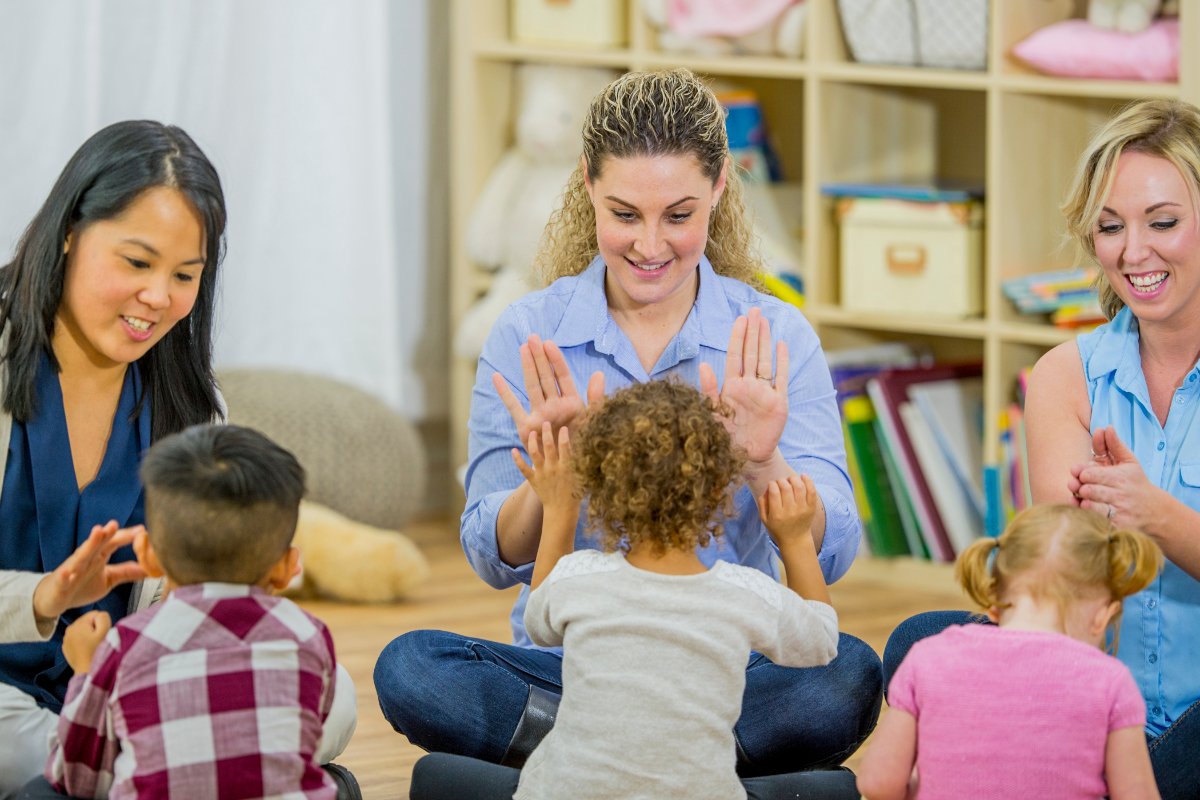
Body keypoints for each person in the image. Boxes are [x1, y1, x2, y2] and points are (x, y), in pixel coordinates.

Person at [375, 67, 881, 778]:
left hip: (728, 667)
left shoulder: (776, 334)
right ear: (587, 184)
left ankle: (585, 770)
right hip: (573, 672)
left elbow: (833, 553)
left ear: (719, 188)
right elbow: (490, 556)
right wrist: (552, 478)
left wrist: (763, 461)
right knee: (412, 667)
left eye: (678, 216)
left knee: (849, 675)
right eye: (625, 214)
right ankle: (693, 773)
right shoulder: (527, 331)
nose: (649, 246)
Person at [0, 120, 353, 797]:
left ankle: (134, 771)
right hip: (13, 698)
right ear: (70, 232)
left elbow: (202, 598)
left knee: (337, 701)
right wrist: (45, 597)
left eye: (185, 275)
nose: (159, 298)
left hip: (135, 679)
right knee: (23, 750)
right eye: (137, 263)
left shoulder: (193, 404)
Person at [882, 98, 1200, 799]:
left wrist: (1155, 514)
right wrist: (1092, 534)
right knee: (921, 642)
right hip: (1085, 709)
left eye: (1163, 222)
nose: (1133, 252)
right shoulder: (1066, 375)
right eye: (1110, 227)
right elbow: (1058, 584)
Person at [410, 379, 857, 800]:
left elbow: (539, 624)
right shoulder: (745, 593)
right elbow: (821, 643)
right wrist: (796, 540)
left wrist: (560, 507)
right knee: (838, 785)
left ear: (601, 493)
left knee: (433, 773)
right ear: (721, 489)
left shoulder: (579, 579)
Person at [19, 424, 338, 799]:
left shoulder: (126, 645)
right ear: (288, 568)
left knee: (40, 791)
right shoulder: (309, 634)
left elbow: (79, 776)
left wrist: (86, 671)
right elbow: (309, 731)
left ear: (147, 556)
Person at [858, 504, 1162, 800]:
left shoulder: (927, 657)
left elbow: (878, 783)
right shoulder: (1111, 682)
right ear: (1102, 617)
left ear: (994, 600)